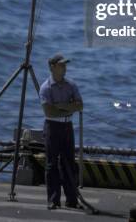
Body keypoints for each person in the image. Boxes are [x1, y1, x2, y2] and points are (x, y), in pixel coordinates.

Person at [39, 53, 83, 210]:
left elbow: (80, 106)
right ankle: (53, 200)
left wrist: (60, 106)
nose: (65, 68)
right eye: (61, 65)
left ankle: (71, 200)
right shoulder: (46, 88)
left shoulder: (71, 85)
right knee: (51, 164)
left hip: (67, 126)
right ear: (52, 67)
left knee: (69, 163)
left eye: (65, 65)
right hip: (52, 126)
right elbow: (49, 112)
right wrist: (68, 107)